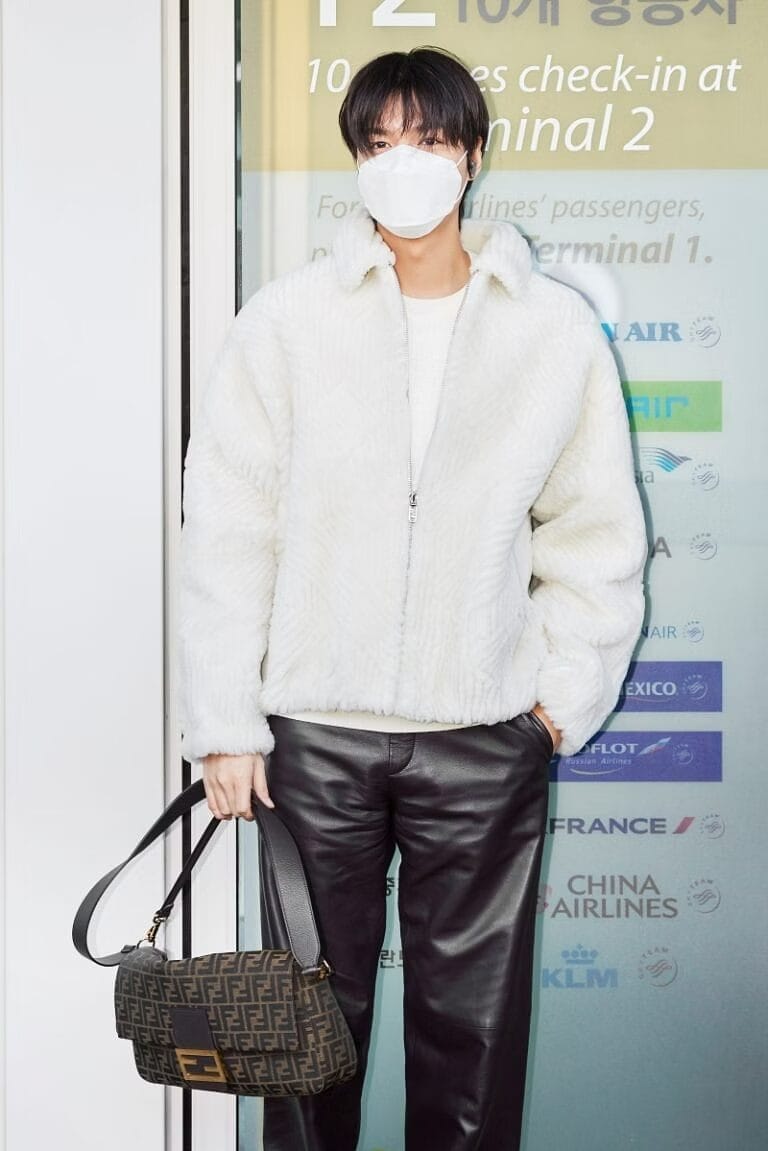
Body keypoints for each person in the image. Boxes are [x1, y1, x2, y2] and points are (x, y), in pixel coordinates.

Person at [177, 46, 648, 1151]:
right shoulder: (286, 322)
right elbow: (232, 527)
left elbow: (595, 531)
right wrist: (227, 722)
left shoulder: (553, 330)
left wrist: (556, 705)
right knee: (306, 1038)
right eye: (381, 142)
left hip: (483, 737)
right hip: (316, 738)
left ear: (472, 156)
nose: (406, 162)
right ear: (355, 160)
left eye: (430, 139)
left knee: (472, 1039)